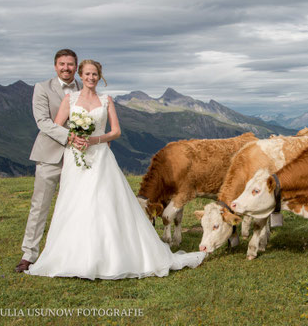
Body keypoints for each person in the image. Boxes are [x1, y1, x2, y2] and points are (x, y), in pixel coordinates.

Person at [25, 60, 205, 279]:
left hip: (100, 157)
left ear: (100, 77)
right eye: (88, 74)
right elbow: (57, 125)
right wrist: (75, 138)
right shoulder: (69, 99)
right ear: (81, 75)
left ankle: (110, 255)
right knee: (74, 203)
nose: (91, 78)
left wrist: (96, 139)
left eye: (95, 74)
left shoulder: (106, 100)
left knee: (104, 202)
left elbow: (116, 131)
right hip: (75, 157)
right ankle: (71, 256)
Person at [15, 49, 85, 273]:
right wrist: (69, 137)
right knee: (40, 206)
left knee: (75, 206)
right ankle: (29, 254)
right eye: (62, 64)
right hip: (49, 155)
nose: (66, 68)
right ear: (55, 66)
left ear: (76, 67)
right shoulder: (42, 88)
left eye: (70, 64)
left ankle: (71, 252)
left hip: (77, 158)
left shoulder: (84, 90)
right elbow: (43, 121)